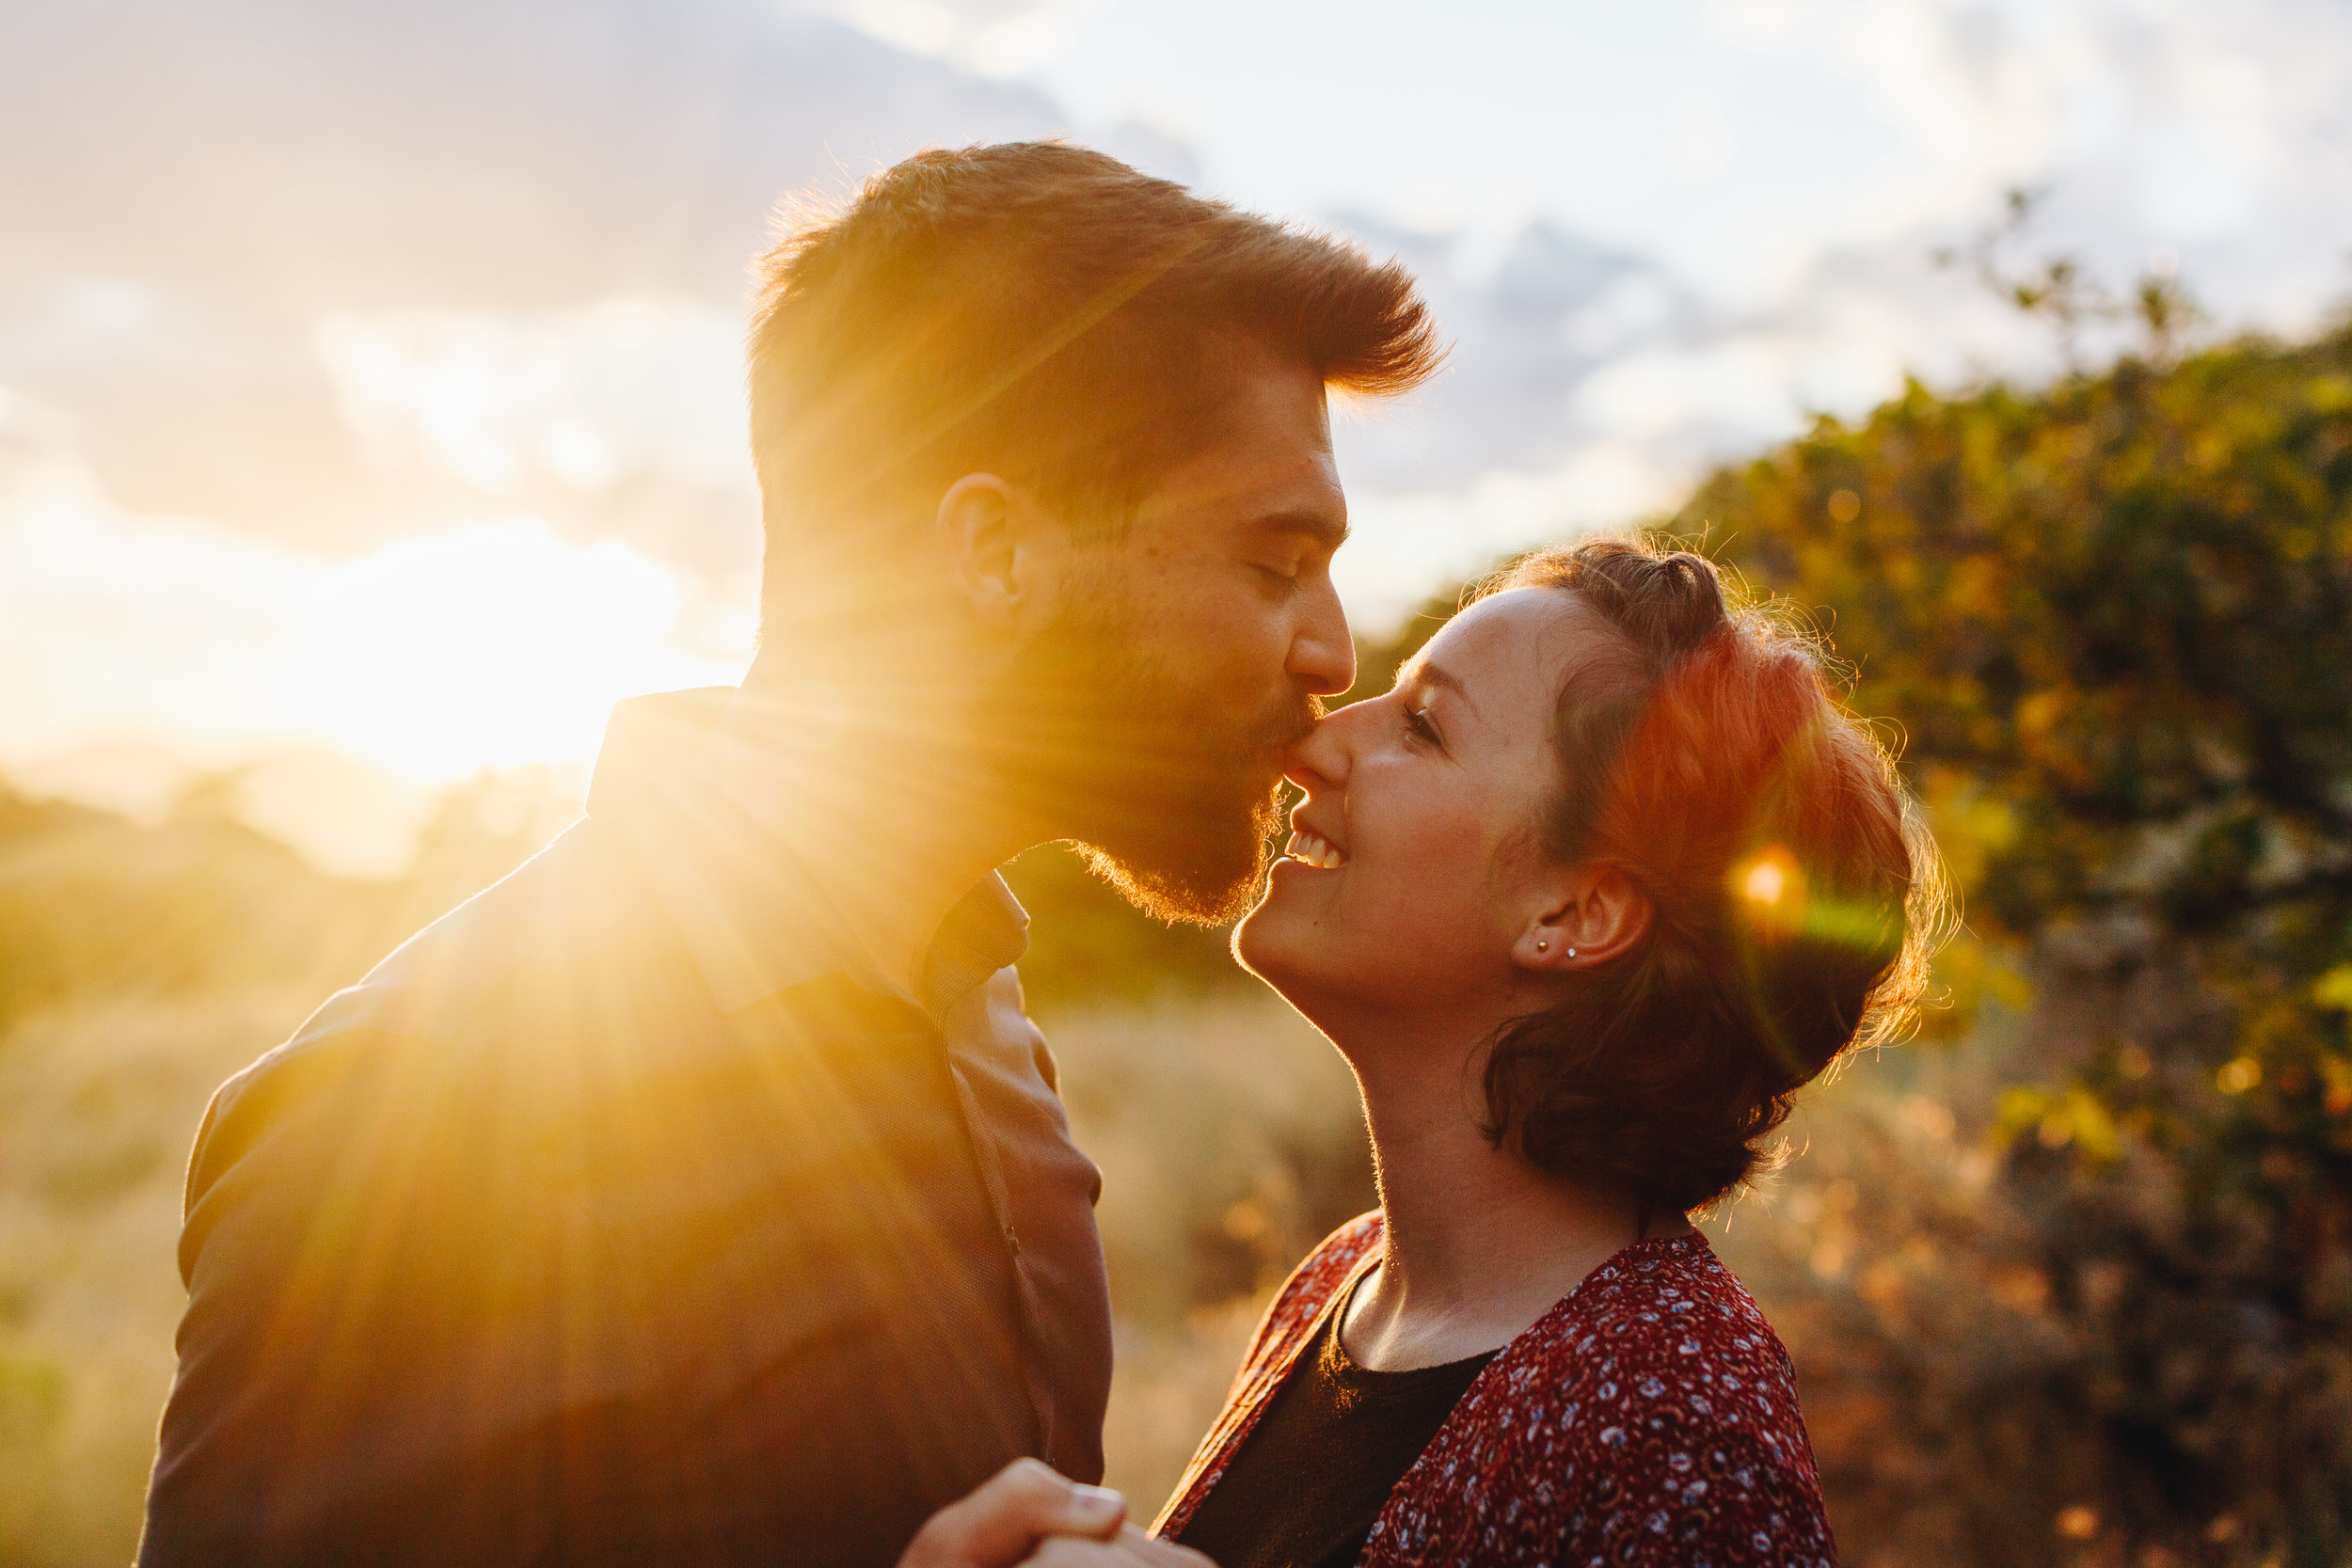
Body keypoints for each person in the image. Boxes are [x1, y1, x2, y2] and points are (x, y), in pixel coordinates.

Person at [137, 142, 1438, 1568]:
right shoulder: (399, 1117)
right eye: (1271, 564)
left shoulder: (995, 1039)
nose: (1331, 649)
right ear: (996, 554)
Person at [912, 537, 1945, 1568]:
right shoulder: (1341, 1287)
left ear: (1573, 909)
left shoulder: (1673, 1422)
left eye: (1422, 724)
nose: (1310, 745)